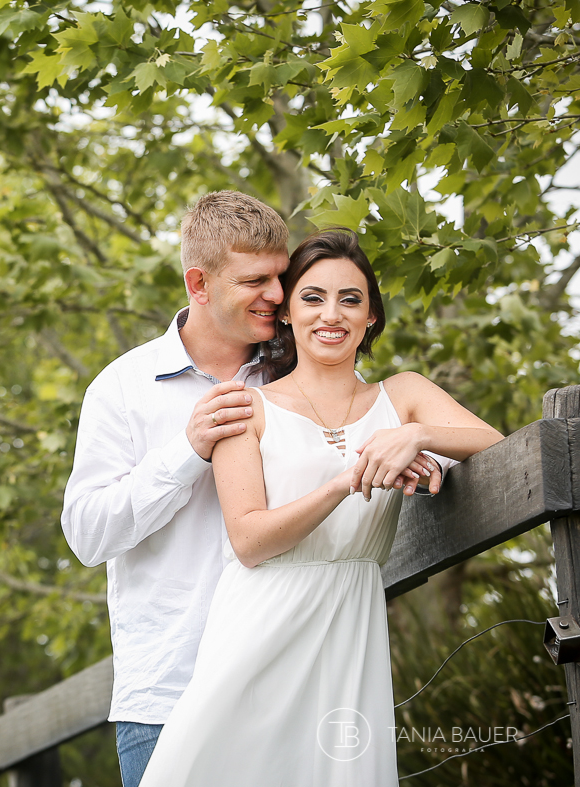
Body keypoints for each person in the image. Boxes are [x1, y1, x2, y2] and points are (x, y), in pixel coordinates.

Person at [60, 194, 441, 787]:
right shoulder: (123, 388)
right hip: (171, 692)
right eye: (255, 280)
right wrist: (186, 451)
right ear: (199, 283)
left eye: (280, 277)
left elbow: (375, 438)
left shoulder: (300, 373)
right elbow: (87, 534)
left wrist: (422, 460)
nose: (276, 293)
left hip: (298, 680)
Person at [136, 229, 503, 786]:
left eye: (350, 299)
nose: (331, 314)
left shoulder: (402, 395)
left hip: (351, 623)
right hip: (260, 626)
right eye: (312, 297)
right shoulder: (245, 406)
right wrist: (347, 480)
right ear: (286, 314)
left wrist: (417, 435)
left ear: (372, 317)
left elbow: (504, 449)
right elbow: (250, 541)